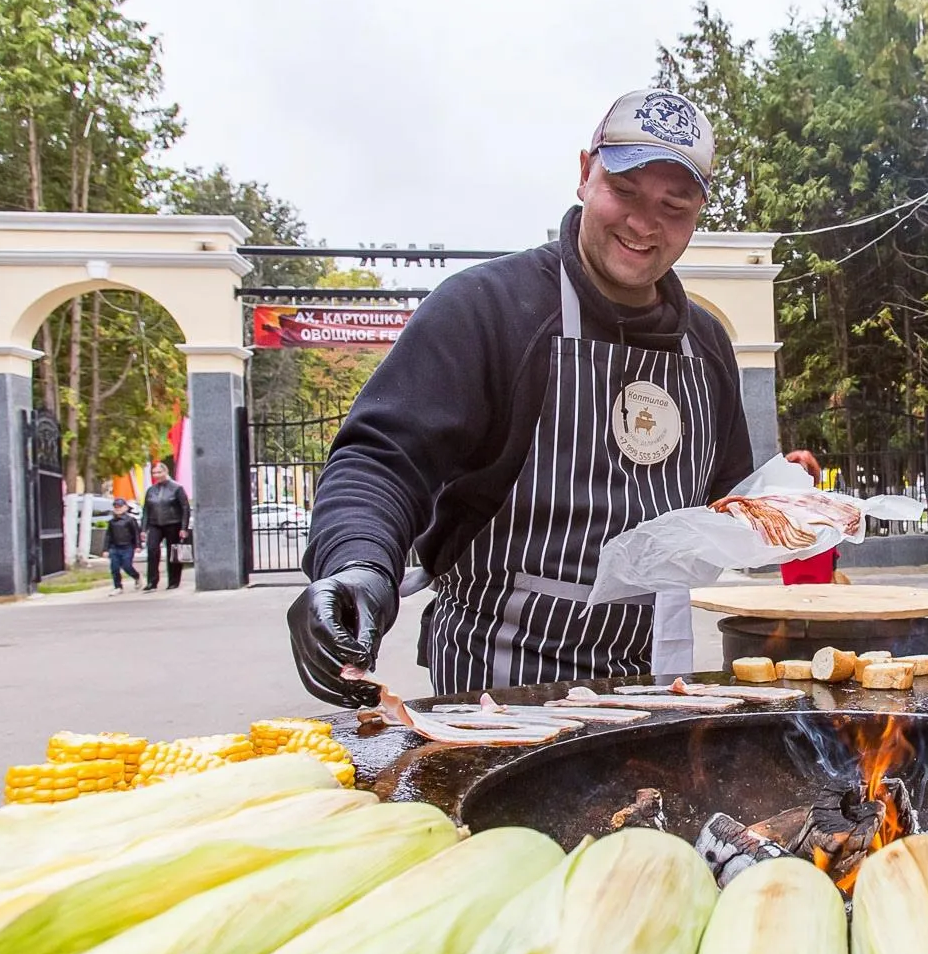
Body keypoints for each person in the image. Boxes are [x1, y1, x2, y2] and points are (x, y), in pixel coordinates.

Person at [289, 88, 754, 706]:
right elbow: (381, 458)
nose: (645, 224)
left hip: (654, 678)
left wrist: (790, 515)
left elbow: (726, 506)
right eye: (626, 191)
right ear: (586, 173)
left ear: (698, 212)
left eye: (674, 205)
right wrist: (359, 565)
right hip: (500, 678)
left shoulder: (707, 344)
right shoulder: (486, 309)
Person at [778, 449, 839, 585]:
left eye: (802, 472)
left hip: (820, 574)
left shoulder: (824, 504)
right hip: (793, 573)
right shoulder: (779, 505)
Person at [141, 463, 190, 591]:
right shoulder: (151, 490)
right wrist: (143, 528)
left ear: (165, 472)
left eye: (158, 472)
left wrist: (184, 527)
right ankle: (152, 581)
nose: (156, 475)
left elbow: (185, 508)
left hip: (173, 523)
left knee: (172, 552)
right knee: (152, 550)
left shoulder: (176, 488)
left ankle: (173, 581)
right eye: (154, 473)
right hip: (155, 523)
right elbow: (146, 510)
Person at [104, 497, 142, 593]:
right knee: (114, 567)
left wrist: (138, 545)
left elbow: (136, 533)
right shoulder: (112, 522)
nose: (118, 509)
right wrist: (105, 549)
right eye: (116, 507)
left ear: (125, 507)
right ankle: (118, 586)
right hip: (114, 547)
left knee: (127, 565)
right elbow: (108, 536)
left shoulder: (130, 520)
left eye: (120, 507)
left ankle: (136, 576)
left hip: (127, 547)